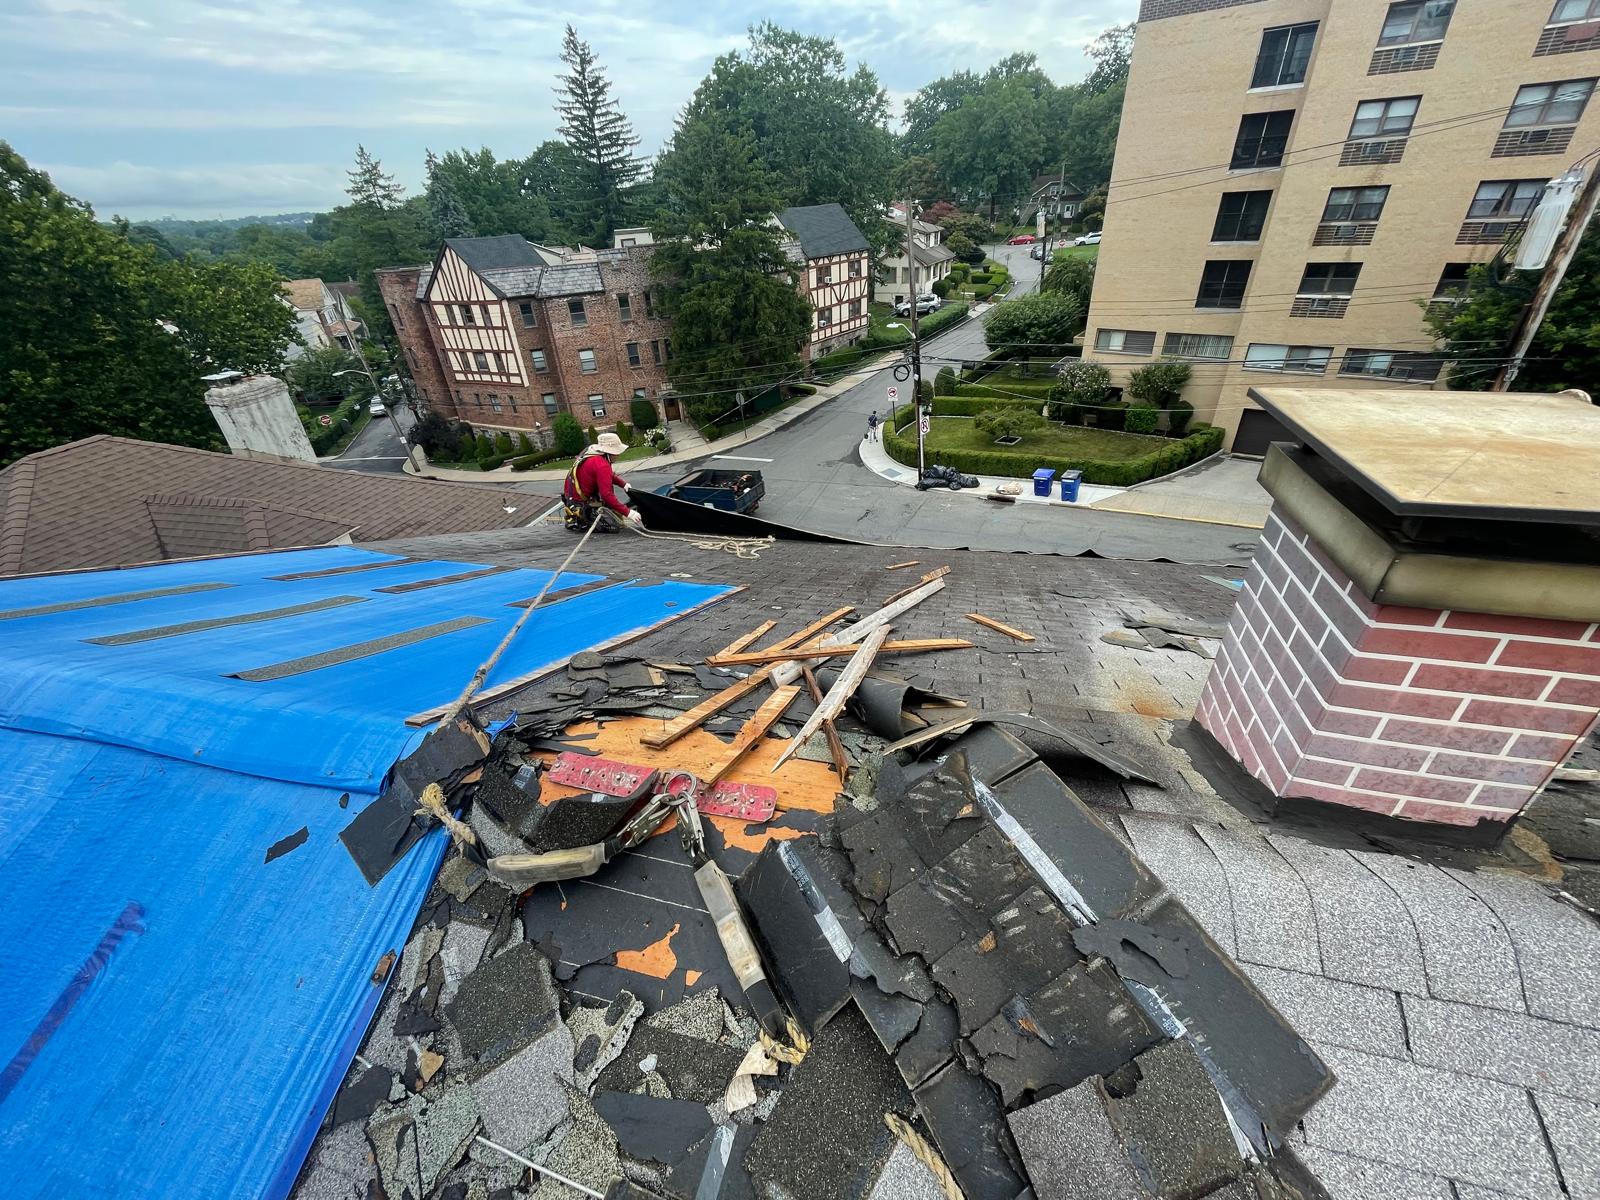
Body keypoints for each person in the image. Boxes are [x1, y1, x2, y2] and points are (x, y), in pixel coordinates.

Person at [562, 431, 645, 533]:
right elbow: (606, 495)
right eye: (616, 452)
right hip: (579, 505)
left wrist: (623, 484)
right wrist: (628, 513)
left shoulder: (591, 453)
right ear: (609, 452)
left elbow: (607, 475)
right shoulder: (602, 464)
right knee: (614, 526)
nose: (618, 455)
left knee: (615, 514)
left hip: (571, 498)